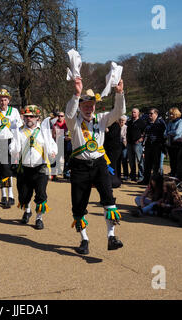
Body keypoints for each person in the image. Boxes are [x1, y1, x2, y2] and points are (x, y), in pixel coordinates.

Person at [65, 77, 125, 255]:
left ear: (95, 106)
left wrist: (120, 93)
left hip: (99, 164)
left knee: (109, 199)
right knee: (78, 205)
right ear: (80, 107)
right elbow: (68, 113)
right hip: (80, 167)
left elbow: (120, 111)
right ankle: (84, 239)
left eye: (91, 105)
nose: (88, 108)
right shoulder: (74, 123)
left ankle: (111, 237)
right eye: (84, 105)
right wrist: (76, 94)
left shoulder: (102, 119)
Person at [10, 105, 57, 230]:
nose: (28, 118)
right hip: (24, 167)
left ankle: (39, 218)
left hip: (40, 167)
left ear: (37, 118)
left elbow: (52, 144)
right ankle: (28, 210)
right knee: (24, 195)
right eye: (26, 116)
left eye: (31, 116)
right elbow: (14, 145)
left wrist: (52, 151)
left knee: (41, 194)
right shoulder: (19, 131)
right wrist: (13, 150)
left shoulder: (44, 131)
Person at [138, 108, 166, 185]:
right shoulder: (148, 123)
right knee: (147, 164)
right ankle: (146, 180)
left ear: (156, 114)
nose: (149, 115)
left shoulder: (160, 123)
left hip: (157, 146)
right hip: (148, 146)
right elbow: (145, 134)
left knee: (156, 165)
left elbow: (164, 135)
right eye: (149, 113)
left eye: (151, 113)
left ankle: (156, 182)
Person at [126, 108, 146, 182]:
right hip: (129, 144)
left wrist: (141, 139)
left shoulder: (142, 122)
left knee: (140, 161)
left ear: (138, 113)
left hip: (138, 144)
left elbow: (145, 132)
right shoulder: (129, 122)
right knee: (131, 161)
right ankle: (133, 176)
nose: (133, 113)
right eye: (132, 112)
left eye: (134, 112)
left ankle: (141, 176)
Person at [165, 107, 182, 177]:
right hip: (170, 144)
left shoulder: (181, 121)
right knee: (172, 161)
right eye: (170, 114)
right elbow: (165, 133)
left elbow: (177, 132)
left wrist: (169, 133)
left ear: (175, 114)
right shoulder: (170, 122)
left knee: (177, 161)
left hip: (178, 144)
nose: (170, 115)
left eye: (171, 114)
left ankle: (177, 176)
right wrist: (169, 133)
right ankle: (172, 174)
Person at [51, 111, 70, 180]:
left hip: (67, 143)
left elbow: (70, 133)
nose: (60, 117)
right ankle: (53, 175)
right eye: (59, 116)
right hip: (58, 143)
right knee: (56, 159)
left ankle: (66, 174)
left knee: (67, 159)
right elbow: (53, 135)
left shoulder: (67, 123)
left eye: (61, 116)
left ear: (64, 116)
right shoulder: (55, 124)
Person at [117, 115, 129, 181]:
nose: (121, 121)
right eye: (120, 120)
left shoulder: (126, 127)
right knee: (118, 160)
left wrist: (125, 145)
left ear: (125, 121)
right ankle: (118, 174)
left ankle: (126, 175)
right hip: (118, 145)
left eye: (123, 120)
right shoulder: (117, 127)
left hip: (124, 145)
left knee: (124, 160)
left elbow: (125, 137)